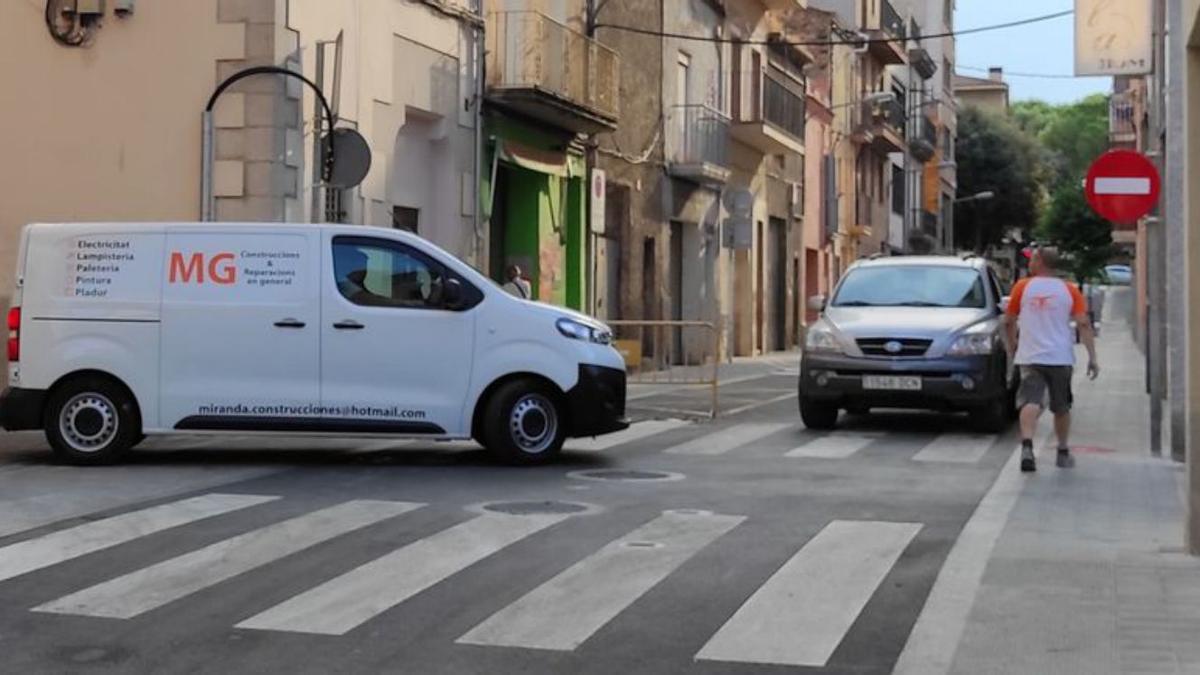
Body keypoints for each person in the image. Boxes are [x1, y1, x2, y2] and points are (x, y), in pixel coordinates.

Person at [1005, 247, 1099, 472]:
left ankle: (1027, 446)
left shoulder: (1022, 287)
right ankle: (1063, 451)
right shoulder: (1069, 290)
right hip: (1060, 357)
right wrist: (1092, 357)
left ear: (1039, 261)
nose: (1029, 263)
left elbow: (1008, 320)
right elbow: (1083, 324)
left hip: (1030, 356)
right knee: (1061, 406)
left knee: (1030, 400)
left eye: (1032, 259)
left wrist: (1012, 346)